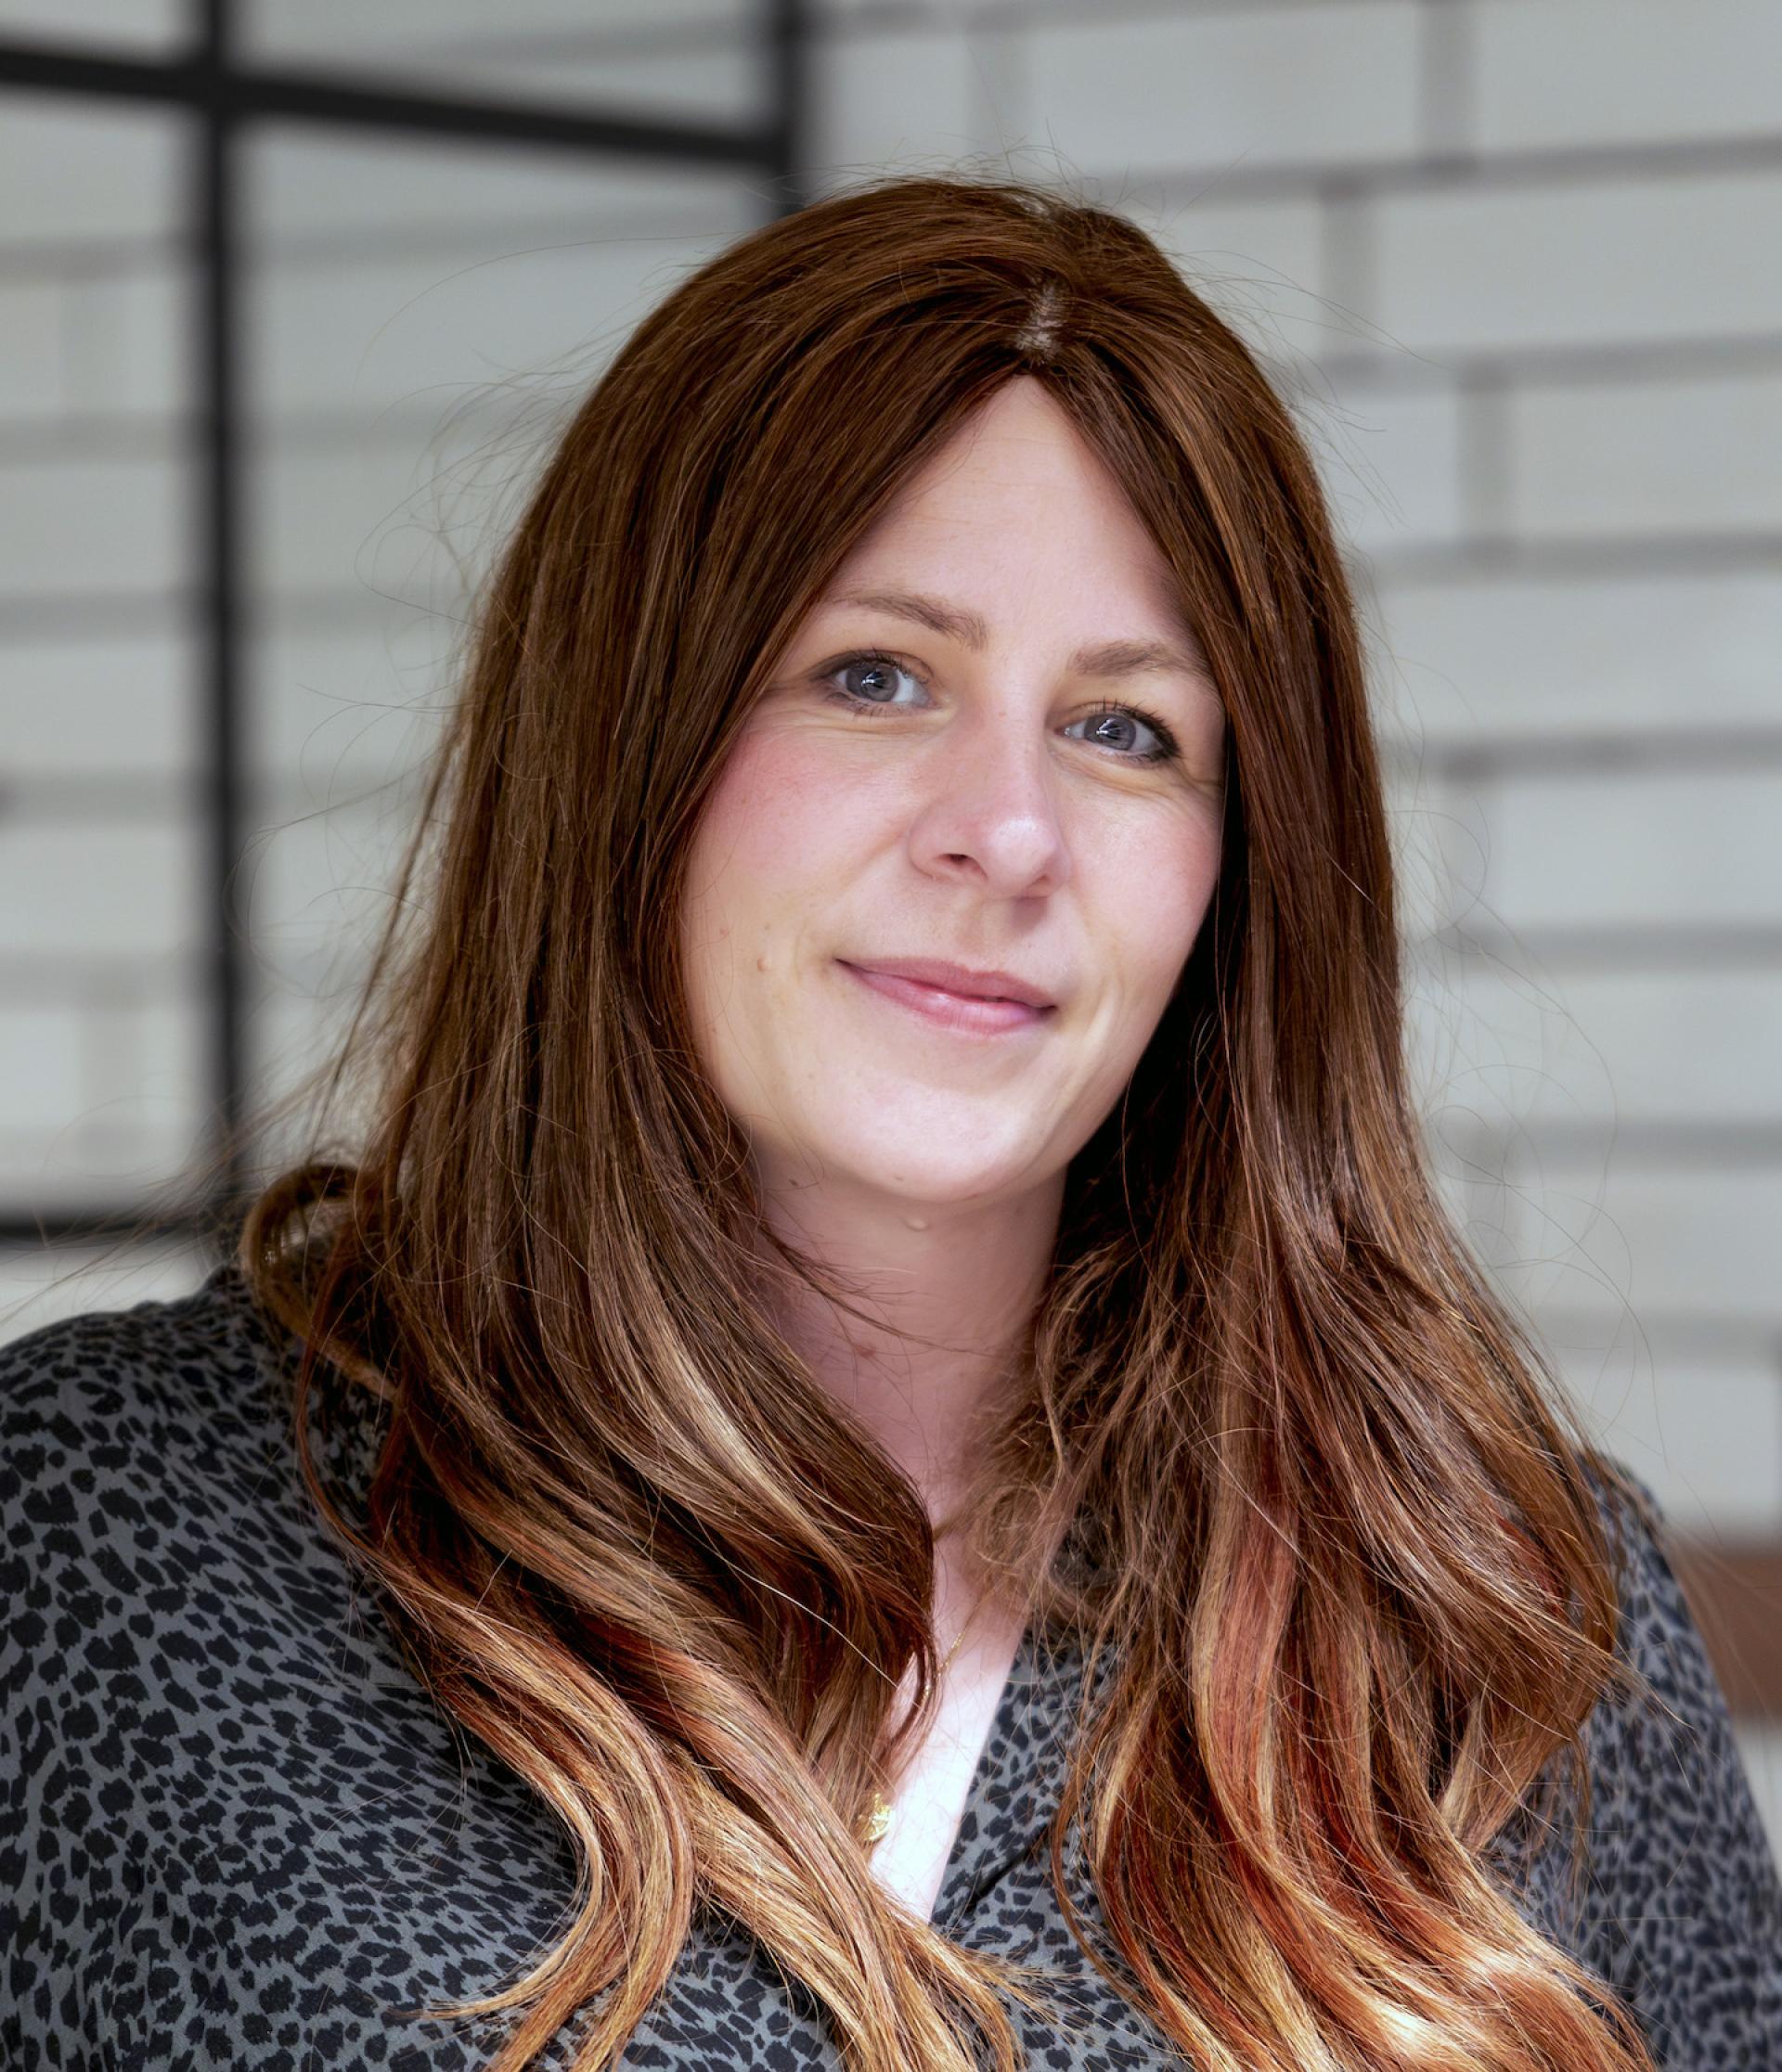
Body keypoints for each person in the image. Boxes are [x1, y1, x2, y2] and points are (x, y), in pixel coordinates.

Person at [2, 172, 1777, 2072]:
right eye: (876, 675)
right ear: (631, 748)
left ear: (1237, 873)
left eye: (1128, 728)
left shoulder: (1500, 1626)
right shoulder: (111, 1542)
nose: (1006, 831)